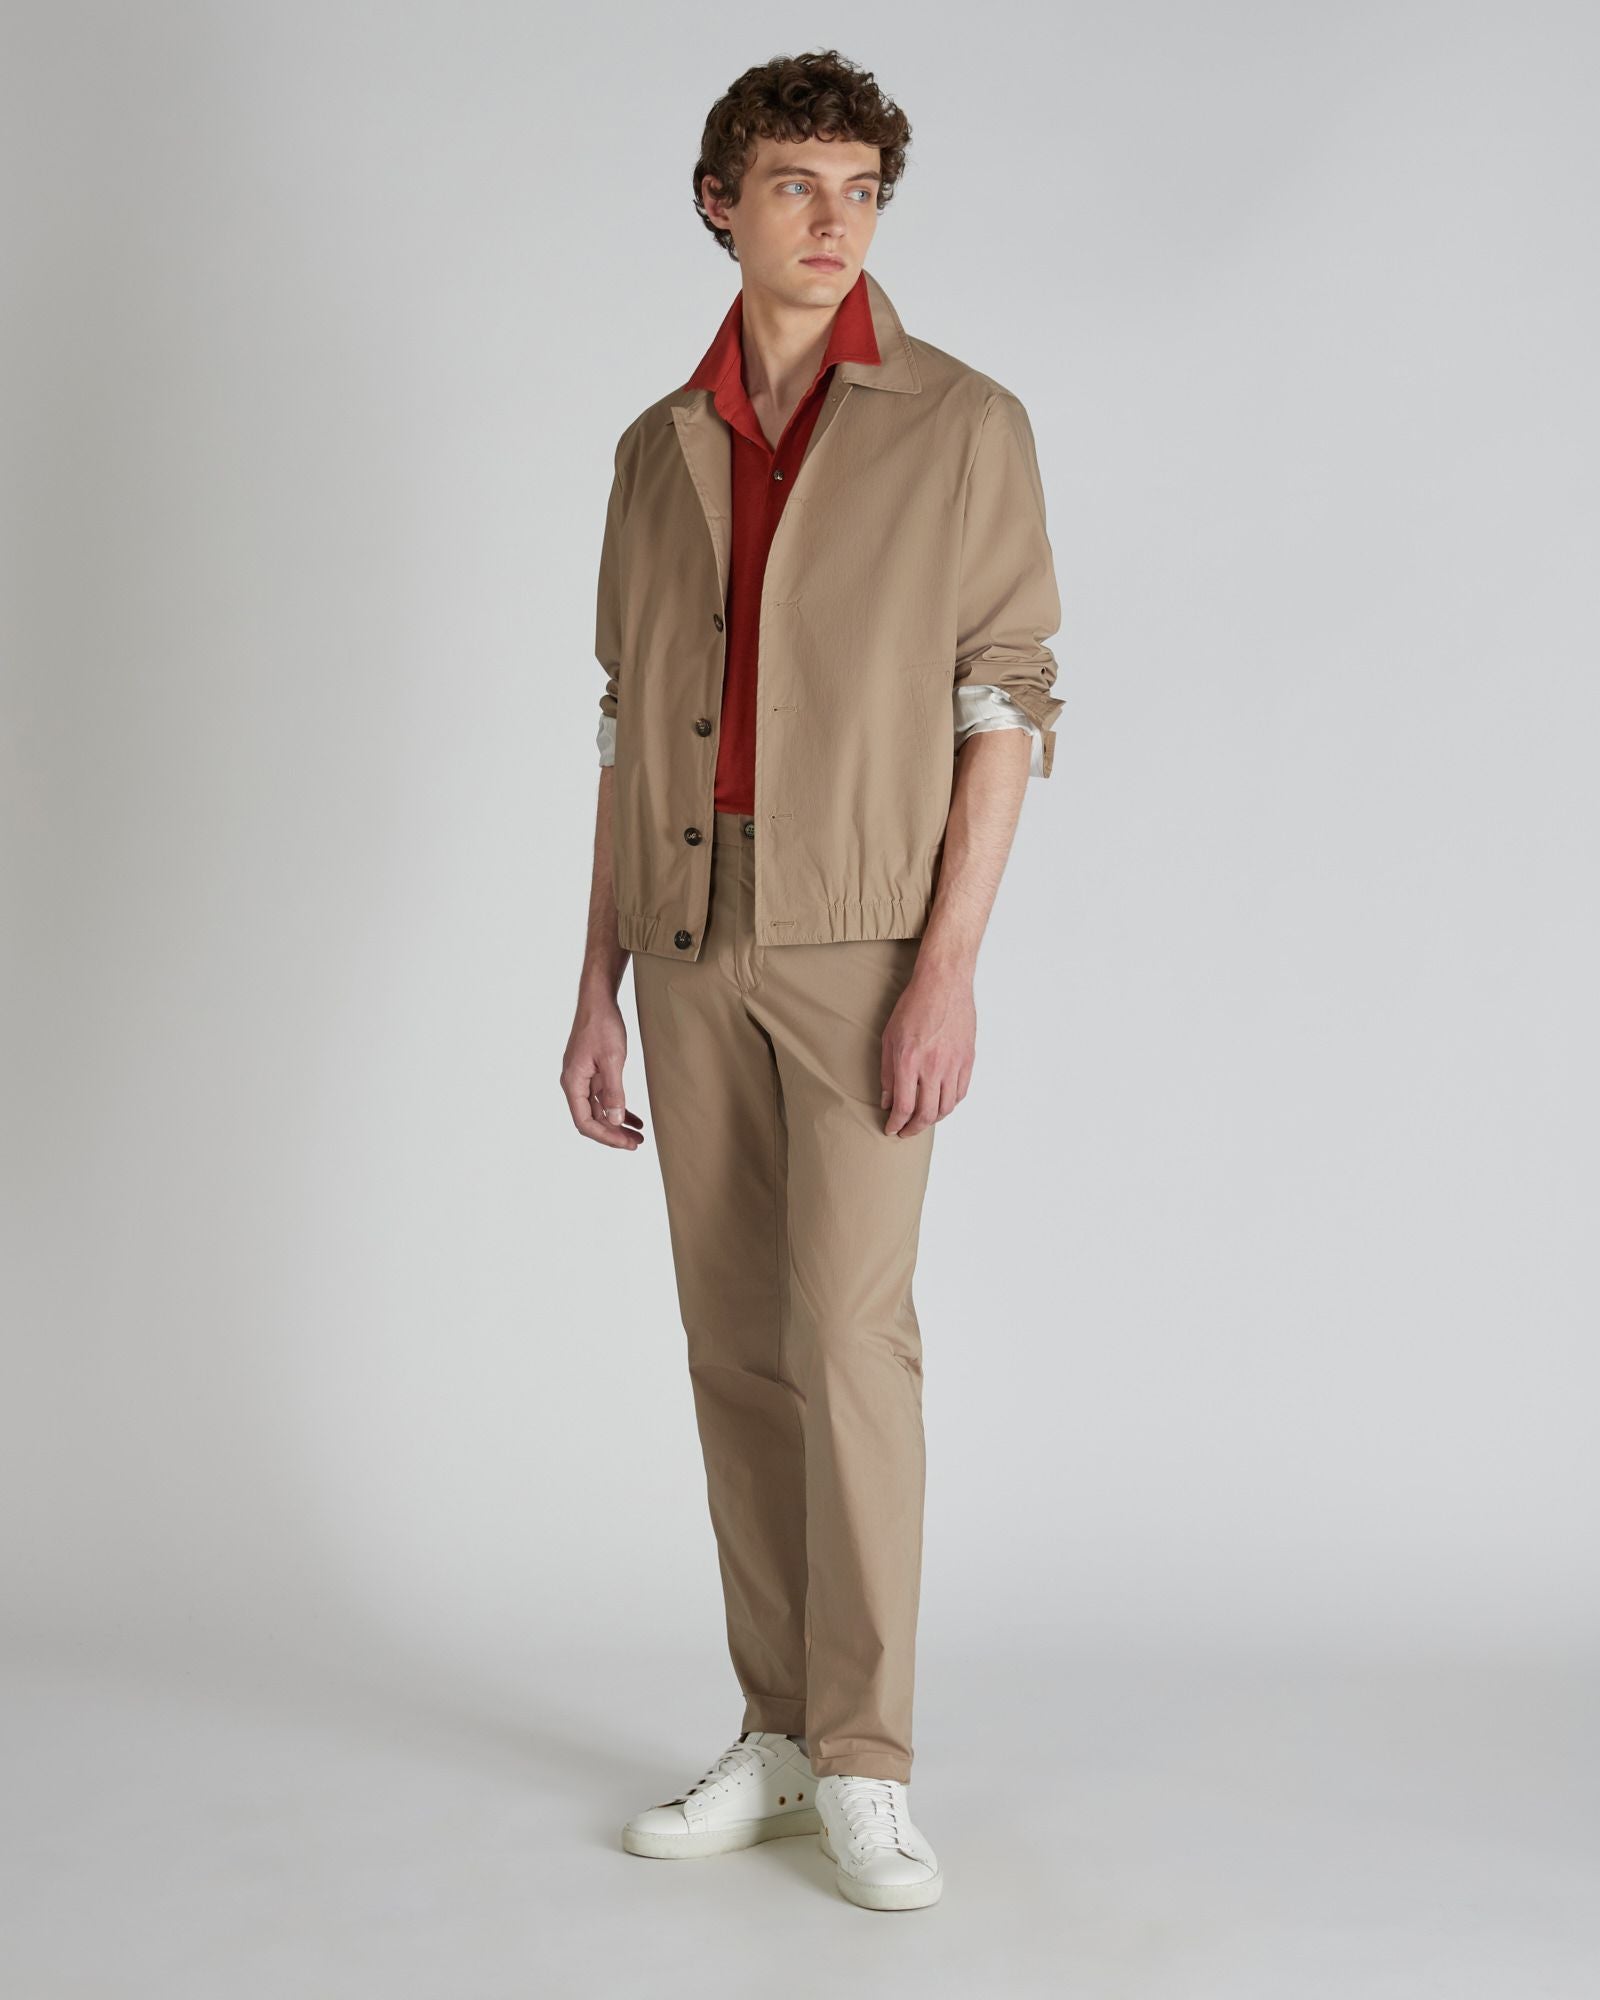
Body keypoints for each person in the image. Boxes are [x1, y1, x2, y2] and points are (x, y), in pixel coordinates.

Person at [561, 47, 1064, 1913]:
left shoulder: (963, 425)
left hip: (863, 939)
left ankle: (864, 1755)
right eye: (795, 185)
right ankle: (774, 1727)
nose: (834, 220)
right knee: (735, 1343)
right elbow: (625, 724)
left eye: (860, 189)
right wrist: (596, 982)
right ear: (722, 203)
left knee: (851, 1338)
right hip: (685, 930)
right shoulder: (654, 449)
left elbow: (1006, 701)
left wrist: (948, 971)